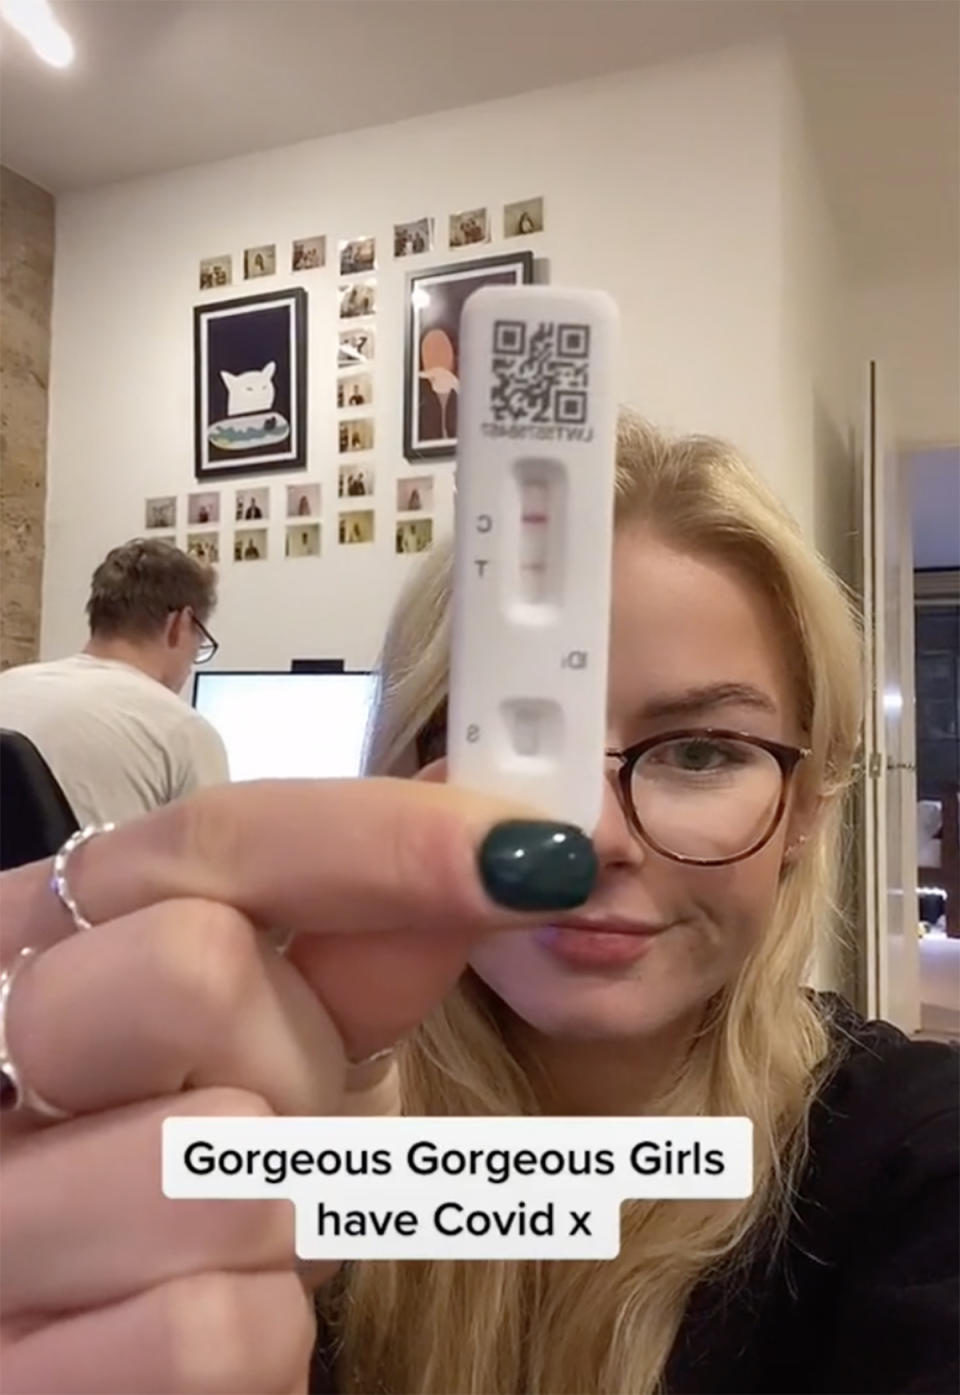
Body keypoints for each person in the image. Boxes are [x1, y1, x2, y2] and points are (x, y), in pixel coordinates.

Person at [0, 414, 956, 1395]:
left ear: (804, 806)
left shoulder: (915, 1163)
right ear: (404, 766)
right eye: (519, 743)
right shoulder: (293, 1147)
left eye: (703, 752)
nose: (590, 843)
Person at [0, 538, 228, 828]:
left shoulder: (8, 685)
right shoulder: (181, 730)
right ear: (180, 624)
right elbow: (215, 866)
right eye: (200, 644)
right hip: (87, 876)